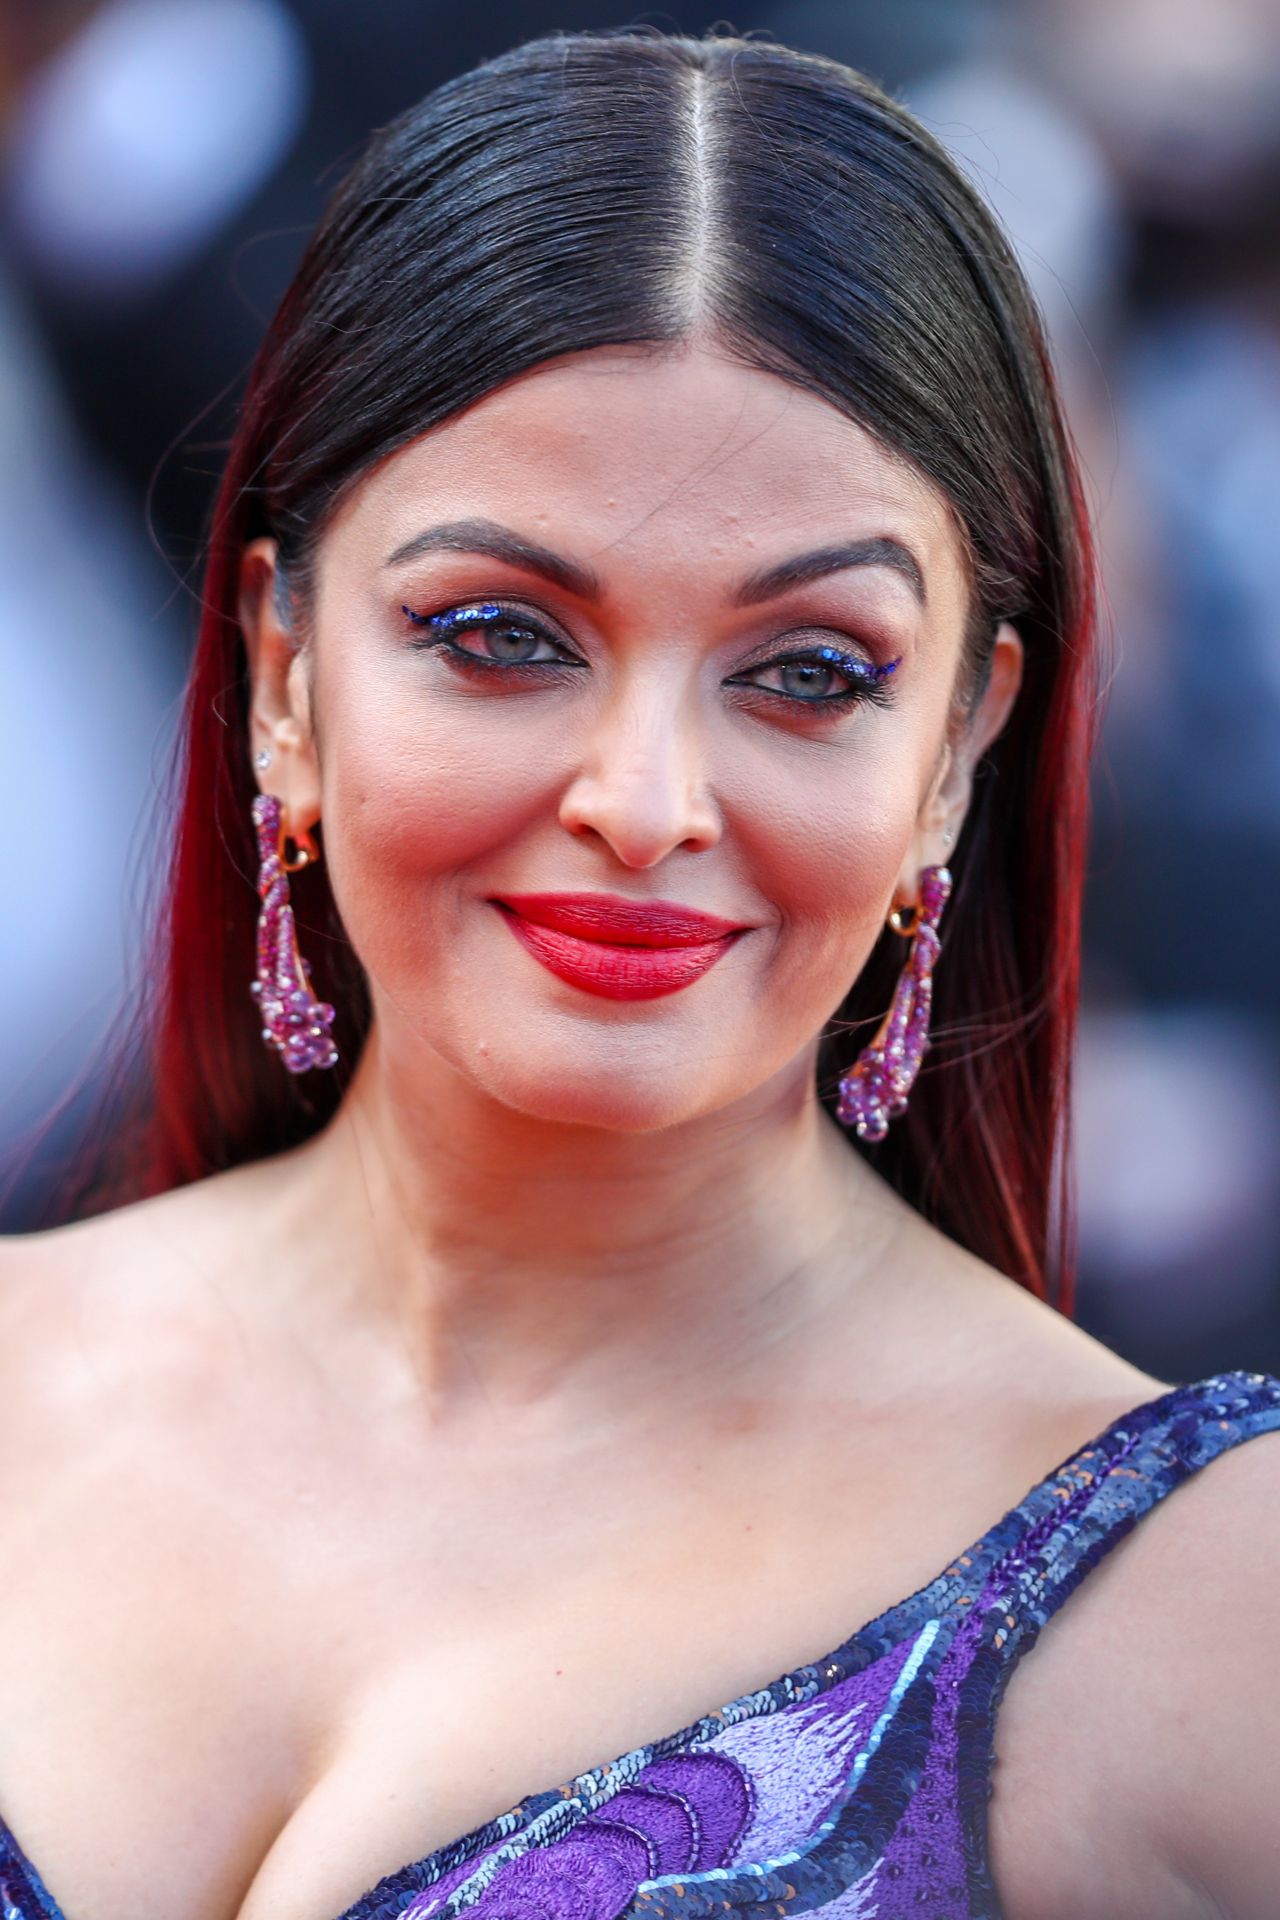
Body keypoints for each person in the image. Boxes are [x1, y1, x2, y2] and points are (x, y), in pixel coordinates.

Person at [0, 27, 1275, 1920]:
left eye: (811, 670)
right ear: (284, 678)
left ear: (952, 759)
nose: (645, 799)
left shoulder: (1198, 1614)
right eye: (501, 635)